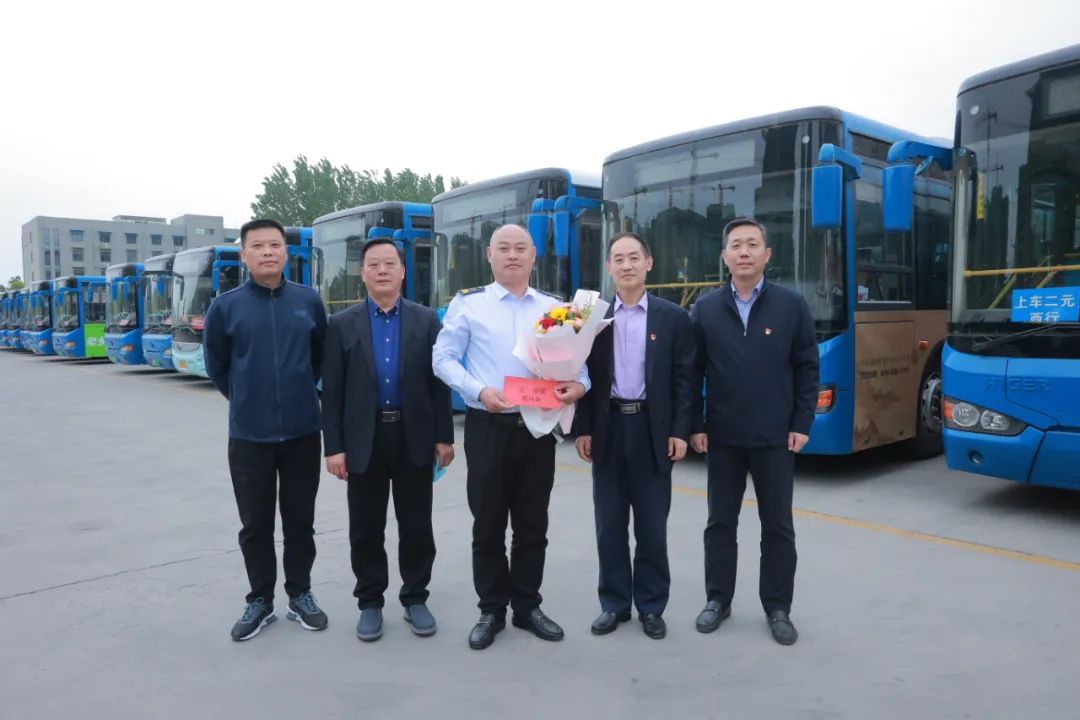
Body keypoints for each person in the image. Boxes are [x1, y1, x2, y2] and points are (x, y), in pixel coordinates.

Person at [432, 224, 589, 650]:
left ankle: (527, 606)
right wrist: (478, 390)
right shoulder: (469, 304)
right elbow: (442, 358)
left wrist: (580, 386)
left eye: (521, 248)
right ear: (490, 255)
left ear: (534, 256)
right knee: (487, 524)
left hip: (537, 429)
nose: (513, 255)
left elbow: (579, 363)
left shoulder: (556, 309)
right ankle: (491, 609)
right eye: (504, 248)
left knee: (532, 523)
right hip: (489, 426)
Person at [689, 217, 819, 646]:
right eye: (736, 245)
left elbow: (807, 368)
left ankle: (777, 607)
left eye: (751, 244)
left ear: (767, 254)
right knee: (720, 523)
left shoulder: (791, 306)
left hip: (775, 437)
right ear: (724, 256)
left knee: (777, 526)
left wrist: (801, 422)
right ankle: (717, 599)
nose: (743, 252)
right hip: (722, 436)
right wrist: (695, 426)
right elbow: (691, 373)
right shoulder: (706, 308)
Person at [321, 238, 455, 642]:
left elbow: (439, 384)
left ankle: (415, 597)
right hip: (364, 438)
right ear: (362, 273)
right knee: (365, 527)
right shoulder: (341, 324)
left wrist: (444, 437)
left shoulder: (425, 320)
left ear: (402, 271)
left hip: (413, 435)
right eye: (374, 265)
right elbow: (332, 390)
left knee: (416, 525)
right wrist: (334, 447)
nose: (382, 270)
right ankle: (370, 602)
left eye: (389, 264)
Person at [204, 218, 329, 641]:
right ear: (244, 255)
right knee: (255, 525)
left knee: (300, 521)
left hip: (302, 432)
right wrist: (246, 400)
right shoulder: (226, 307)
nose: (268, 252)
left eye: (274, 245)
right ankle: (260, 599)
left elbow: (319, 359)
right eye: (257, 246)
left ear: (286, 252)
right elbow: (217, 366)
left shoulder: (308, 301)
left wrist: (299, 394)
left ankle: (300, 593)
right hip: (248, 437)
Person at [574, 232, 695, 640]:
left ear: (649, 263)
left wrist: (680, 430)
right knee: (609, 523)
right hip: (608, 427)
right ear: (609, 267)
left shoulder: (673, 318)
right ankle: (613, 604)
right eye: (618, 259)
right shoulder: (592, 318)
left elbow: (685, 379)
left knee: (651, 525)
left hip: (651, 430)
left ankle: (651, 606)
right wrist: (584, 428)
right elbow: (581, 374)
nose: (626, 265)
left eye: (633, 257)